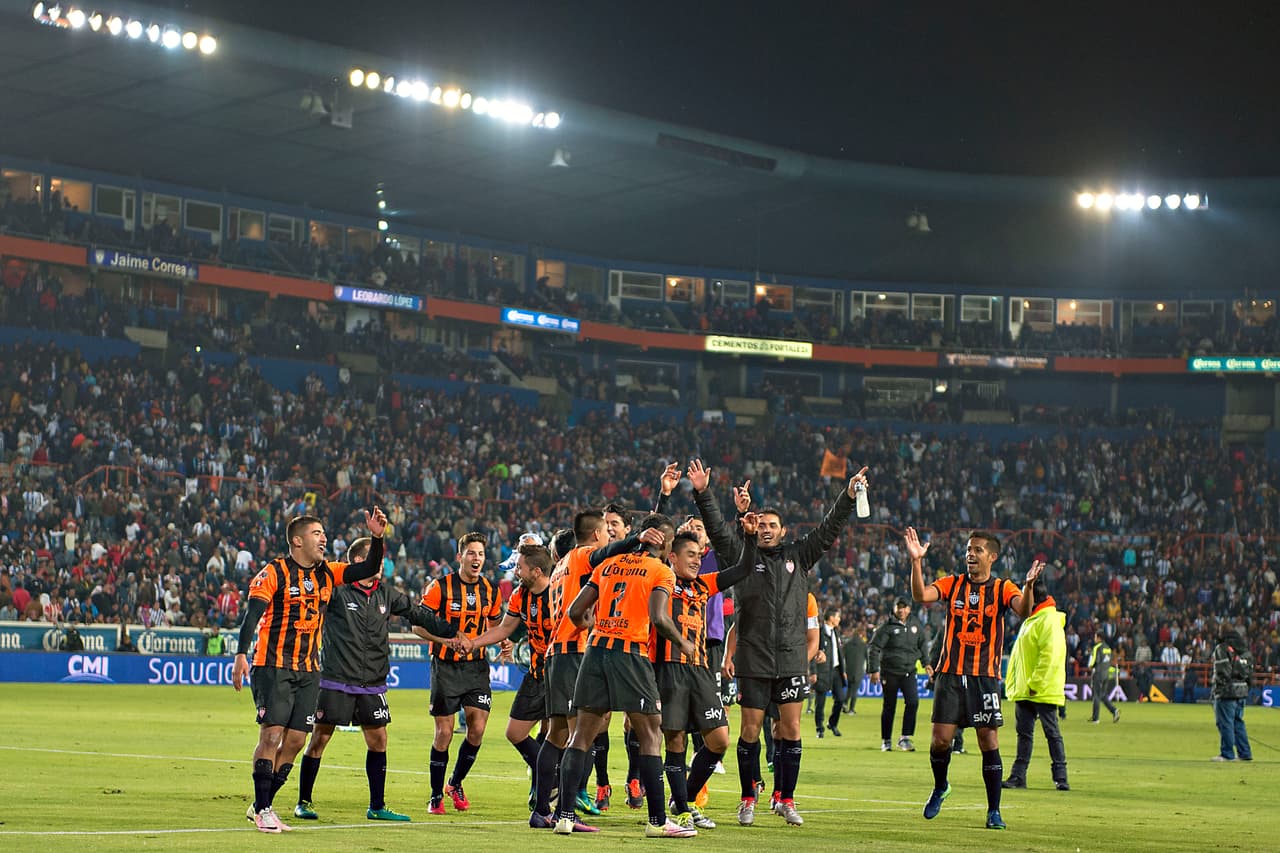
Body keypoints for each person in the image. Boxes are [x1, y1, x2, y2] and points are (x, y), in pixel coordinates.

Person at [691, 458, 867, 828]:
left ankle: (786, 799)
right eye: (763, 525)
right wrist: (704, 492)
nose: (767, 530)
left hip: (789, 660)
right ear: (754, 527)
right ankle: (747, 798)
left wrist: (848, 496)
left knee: (790, 731)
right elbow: (717, 530)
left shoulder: (799, 556)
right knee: (750, 731)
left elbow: (828, 528)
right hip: (753, 659)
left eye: (773, 526)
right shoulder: (741, 556)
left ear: (784, 531)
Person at [231, 508, 389, 834]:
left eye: (323, 533)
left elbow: (369, 567)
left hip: (309, 668)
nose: (324, 539)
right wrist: (240, 654)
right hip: (273, 664)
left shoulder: (328, 573)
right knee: (272, 734)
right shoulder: (273, 572)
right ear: (297, 540)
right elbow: (252, 615)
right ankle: (263, 811)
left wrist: (377, 537)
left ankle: (263, 804)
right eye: (317, 533)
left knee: (296, 741)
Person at [293, 536, 461, 822]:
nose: (381, 564)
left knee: (379, 740)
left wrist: (450, 631)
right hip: (336, 679)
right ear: (358, 562)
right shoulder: (337, 590)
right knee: (320, 737)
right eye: (375, 558)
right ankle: (303, 801)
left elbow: (417, 614)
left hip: (372, 682)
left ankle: (377, 806)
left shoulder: (388, 594)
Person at [556, 513, 698, 838]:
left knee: (581, 736)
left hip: (594, 652)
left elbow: (574, 612)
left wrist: (593, 629)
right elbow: (659, 618)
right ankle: (658, 822)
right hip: (629, 653)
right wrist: (683, 643)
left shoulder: (607, 565)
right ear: (662, 542)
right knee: (651, 735)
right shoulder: (661, 571)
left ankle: (564, 816)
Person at [531, 512, 663, 829]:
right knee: (580, 734)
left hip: (556, 652)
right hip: (576, 649)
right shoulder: (584, 556)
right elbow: (607, 555)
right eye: (605, 532)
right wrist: (637, 539)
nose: (608, 538)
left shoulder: (561, 564)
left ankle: (542, 810)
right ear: (594, 535)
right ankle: (566, 811)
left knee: (557, 733)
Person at [906, 526, 1044, 831]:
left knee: (988, 740)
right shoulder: (953, 584)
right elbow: (920, 595)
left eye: (978, 550)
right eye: (969, 549)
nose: (971, 554)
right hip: (950, 674)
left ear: (992, 556)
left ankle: (994, 810)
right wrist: (916, 562)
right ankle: (941, 786)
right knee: (940, 741)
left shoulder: (1004, 588)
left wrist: (1029, 585)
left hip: (984, 676)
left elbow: (1024, 610)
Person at [654, 521, 760, 830]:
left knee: (719, 740)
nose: (697, 560)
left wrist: (749, 537)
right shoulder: (660, 580)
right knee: (675, 741)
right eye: (690, 554)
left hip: (700, 671)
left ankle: (682, 798)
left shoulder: (704, 584)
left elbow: (743, 569)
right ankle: (685, 811)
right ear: (671, 557)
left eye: (699, 555)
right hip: (669, 669)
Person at [413, 532, 503, 815]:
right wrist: (444, 641)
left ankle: (455, 783)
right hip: (445, 667)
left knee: (477, 730)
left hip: (476, 666)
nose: (477, 559)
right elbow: (417, 624)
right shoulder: (440, 588)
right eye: (472, 553)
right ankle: (435, 795)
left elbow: (497, 624)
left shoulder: (490, 590)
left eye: (481, 554)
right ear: (460, 556)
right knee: (444, 733)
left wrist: (504, 640)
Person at [466, 543, 558, 800]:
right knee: (515, 732)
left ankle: (559, 791)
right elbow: (505, 629)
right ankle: (550, 778)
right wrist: (475, 643)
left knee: (562, 736)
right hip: (537, 674)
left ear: (537, 571)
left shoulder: (559, 593)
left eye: (520, 567)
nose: (516, 571)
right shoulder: (521, 595)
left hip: (562, 675)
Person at [1001, 581, 1069, 791]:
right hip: (1026, 690)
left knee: (1051, 733)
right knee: (1024, 735)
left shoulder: (1047, 621)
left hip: (1040, 689)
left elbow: (1050, 656)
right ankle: (1018, 776)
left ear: (1034, 598)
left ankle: (1061, 777)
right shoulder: (1034, 619)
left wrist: (1034, 684)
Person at [867, 597, 931, 752]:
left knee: (913, 702)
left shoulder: (915, 625)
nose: (901, 610)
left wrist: (926, 663)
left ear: (909, 609)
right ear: (894, 609)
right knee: (889, 706)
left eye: (904, 607)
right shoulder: (886, 627)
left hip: (909, 671)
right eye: (898, 607)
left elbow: (922, 645)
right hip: (890, 673)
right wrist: (874, 670)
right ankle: (886, 740)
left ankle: (904, 738)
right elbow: (874, 648)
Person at [1210, 626, 1254, 762]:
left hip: (1227, 692)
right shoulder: (1244, 649)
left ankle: (1227, 753)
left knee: (1225, 723)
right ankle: (1244, 753)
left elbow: (1223, 671)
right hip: (1242, 690)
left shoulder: (1222, 648)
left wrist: (1219, 688)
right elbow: (1250, 672)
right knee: (1238, 722)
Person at [812, 608, 848, 738]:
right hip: (823, 671)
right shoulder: (819, 633)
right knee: (820, 702)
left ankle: (832, 723)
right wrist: (813, 671)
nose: (839, 619)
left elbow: (839, 653)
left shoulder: (836, 633)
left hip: (836, 670)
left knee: (840, 699)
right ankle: (819, 728)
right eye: (838, 617)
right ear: (831, 618)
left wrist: (843, 671)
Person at [1087, 638, 1120, 723]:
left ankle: (1096, 718)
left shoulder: (1097, 647)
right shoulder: (1108, 648)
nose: (1094, 638)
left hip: (1098, 673)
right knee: (1103, 695)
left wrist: (1090, 666)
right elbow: (1109, 660)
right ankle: (1114, 710)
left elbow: (1094, 661)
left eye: (1095, 636)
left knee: (1096, 695)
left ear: (1099, 637)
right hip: (1106, 674)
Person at [842, 620, 868, 715]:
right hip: (858, 671)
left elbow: (842, 656)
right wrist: (869, 670)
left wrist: (843, 669)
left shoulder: (847, 644)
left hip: (849, 670)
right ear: (861, 633)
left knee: (849, 688)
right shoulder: (863, 645)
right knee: (854, 690)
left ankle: (845, 704)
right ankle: (851, 709)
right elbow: (867, 658)